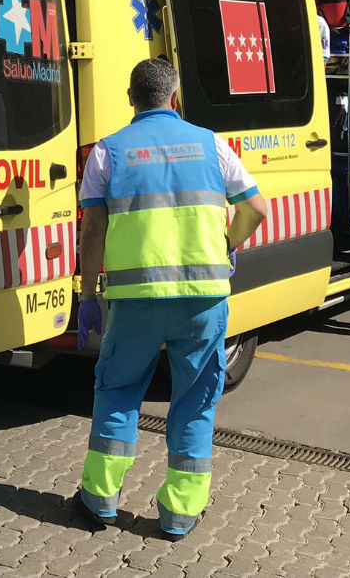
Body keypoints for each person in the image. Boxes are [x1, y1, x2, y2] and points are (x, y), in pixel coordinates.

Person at [73, 58, 267, 540]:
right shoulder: (211, 144)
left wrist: (88, 294)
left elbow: (93, 227)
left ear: (130, 98)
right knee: (195, 401)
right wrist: (226, 245)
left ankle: (99, 501)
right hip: (203, 299)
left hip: (136, 301)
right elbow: (256, 208)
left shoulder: (108, 152)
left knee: (118, 393)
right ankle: (180, 514)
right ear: (175, 97)